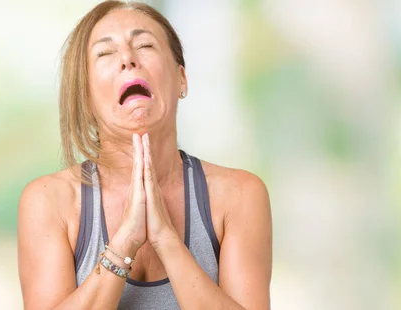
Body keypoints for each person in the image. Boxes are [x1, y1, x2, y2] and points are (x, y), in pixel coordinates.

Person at [17, 1, 272, 309]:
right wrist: (124, 242)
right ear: (84, 95)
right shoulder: (48, 201)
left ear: (181, 78)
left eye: (145, 45)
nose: (127, 59)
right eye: (105, 53)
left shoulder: (240, 195)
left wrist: (166, 239)